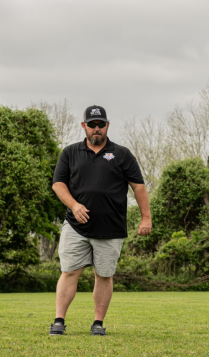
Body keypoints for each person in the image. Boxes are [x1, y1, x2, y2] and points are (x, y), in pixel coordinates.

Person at [49, 105, 152, 336]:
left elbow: (138, 187)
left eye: (101, 125)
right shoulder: (70, 152)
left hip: (111, 228)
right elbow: (58, 184)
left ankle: (98, 323)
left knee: (104, 275)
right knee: (69, 272)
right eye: (92, 124)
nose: (97, 129)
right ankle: (58, 320)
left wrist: (146, 217)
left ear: (107, 126)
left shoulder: (122, 154)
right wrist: (74, 206)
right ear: (84, 126)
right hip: (76, 226)